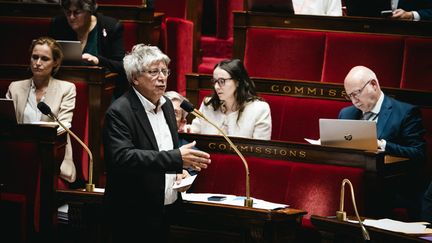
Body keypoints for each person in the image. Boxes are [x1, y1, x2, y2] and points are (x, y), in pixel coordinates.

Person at [103, 44, 211, 242]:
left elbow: (164, 150)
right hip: (133, 211)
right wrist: (176, 159)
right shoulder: (120, 111)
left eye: (164, 71)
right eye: (154, 72)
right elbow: (122, 157)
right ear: (134, 78)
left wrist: (179, 169)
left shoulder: (168, 105)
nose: (162, 77)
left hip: (166, 207)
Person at [339, 65, 426, 219]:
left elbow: (418, 153)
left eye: (357, 93)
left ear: (373, 85)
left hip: (391, 190)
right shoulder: (346, 113)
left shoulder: (405, 113)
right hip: (351, 187)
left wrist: (383, 145)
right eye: (349, 96)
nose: (354, 101)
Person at [6, 36, 77, 183]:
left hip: (52, 157)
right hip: (20, 154)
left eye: (44, 59)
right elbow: (7, 124)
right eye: (35, 57)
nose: (38, 63)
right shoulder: (15, 87)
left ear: (55, 62)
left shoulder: (66, 88)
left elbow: (64, 126)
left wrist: (37, 141)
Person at [189, 59, 272, 140]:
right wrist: (186, 130)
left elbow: (260, 150)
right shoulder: (208, 104)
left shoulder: (259, 109)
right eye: (215, 81)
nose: (216, 87)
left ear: (238, 82)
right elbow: (194, 133)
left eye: (222, 81)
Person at [48, 0, 125, 74]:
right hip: (64, 79)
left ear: (89, 11)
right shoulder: (58, 24)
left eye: (77, 12)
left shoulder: (110, 27)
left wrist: (98, 60)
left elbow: (120, 65)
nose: (71, 17)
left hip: (98, 82)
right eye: (68, 12)